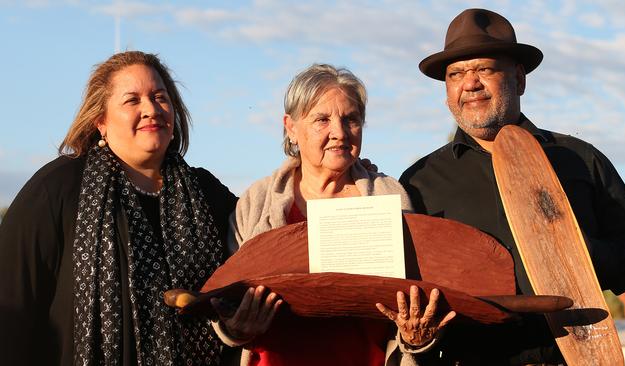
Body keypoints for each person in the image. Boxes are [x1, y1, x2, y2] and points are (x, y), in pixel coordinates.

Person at [399, 8, 625, 365]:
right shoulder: (420, 181)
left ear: (519, 79)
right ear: (447, 91)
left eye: (484, 69)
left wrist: (581, 255)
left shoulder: (579, 160)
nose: (470, 83)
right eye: (456, 74)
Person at [0, 51, 238, 365]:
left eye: (159, 97)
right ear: (101, 120)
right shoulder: (57, 189)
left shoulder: (208, 195)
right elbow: (11, 310)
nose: (151, 109)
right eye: (132, 100)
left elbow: (250, 269)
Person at [211, 64, 456, 366]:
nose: (339, 133)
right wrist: (235, 329)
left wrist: (414, 337)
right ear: (291, 127)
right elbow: (227, 299)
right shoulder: (257, 201)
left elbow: (416, 295)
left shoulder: (390, 196)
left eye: (350, 119)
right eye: (322, 119)